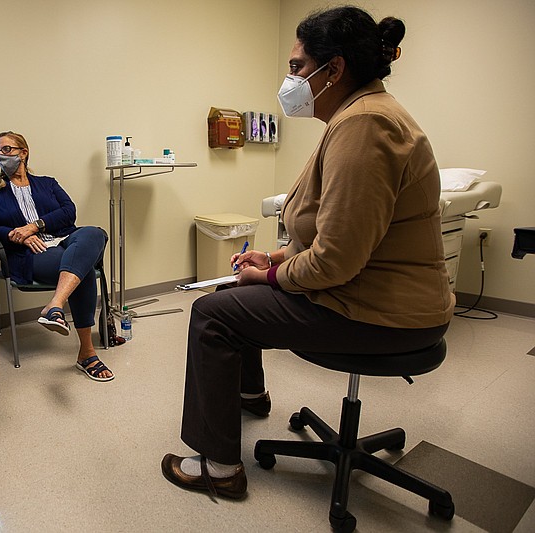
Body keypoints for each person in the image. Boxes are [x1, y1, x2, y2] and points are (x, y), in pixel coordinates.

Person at [162, 6, 454, 500]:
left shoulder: (365, 126)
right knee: (236, 293)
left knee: (212, 314)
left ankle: (219, 468)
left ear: (334, 69)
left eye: (297, 67)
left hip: (379, 311)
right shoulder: (357, 117)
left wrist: (271, 279)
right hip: (375, 295)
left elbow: (335, 262)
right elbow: (330, 233)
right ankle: (250, 396)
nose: (290, 80)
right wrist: (273, 261)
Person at [0, 131, 113, 381]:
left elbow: (68, 212)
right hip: (31, 252)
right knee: (81, 271)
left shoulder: (47, 182)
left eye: (7, 149)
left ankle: (55, 304)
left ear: (23, 153)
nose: (1, 155)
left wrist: (35, 225)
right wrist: (17, 235)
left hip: (65, 239)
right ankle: (87, 353)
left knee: (94, 233)